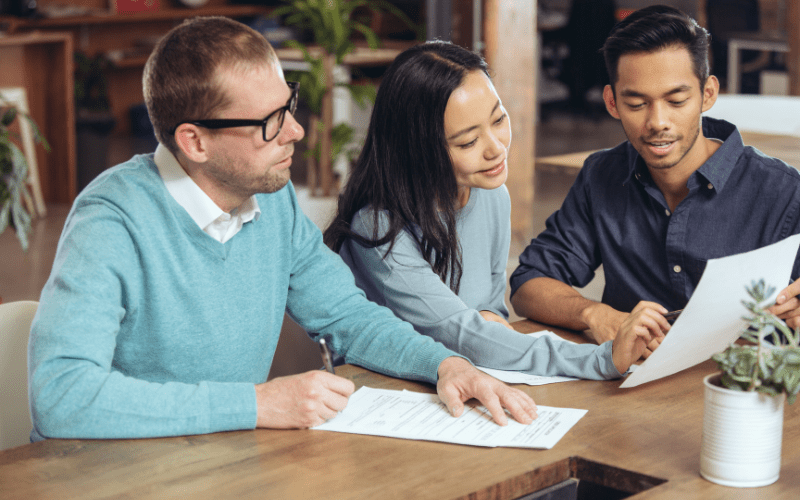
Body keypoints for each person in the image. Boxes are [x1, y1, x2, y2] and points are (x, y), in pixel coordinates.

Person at [27, 17, 539, 441]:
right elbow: (63, 396)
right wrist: (255, 403)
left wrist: (446, 365)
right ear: (195, 142)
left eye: (288, 105)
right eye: (271, 122)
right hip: (110, 477)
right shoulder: (111, 220)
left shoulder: (271, 200)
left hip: (225, 463)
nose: (295, 130)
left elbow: (348, 317)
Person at [323, 41, 658, 380]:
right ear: (417, 150)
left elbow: (488, 313)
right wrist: (600, 359)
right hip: (387, 393)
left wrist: (488, 316)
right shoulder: (378, 228)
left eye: (498, 120)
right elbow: (459, 332)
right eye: (468, 142)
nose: (496, 149)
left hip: (468, 377)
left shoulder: (490, 194)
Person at [510, 5, 800, 349]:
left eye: (676, 100)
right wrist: (594, 314)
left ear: (707, 94)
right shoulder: (602, 175)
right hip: (632, 387)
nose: (657, 122)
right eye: (636, 104)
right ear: (612, 102)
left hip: (739, 387)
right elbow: (530, 282)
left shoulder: (781, 191)